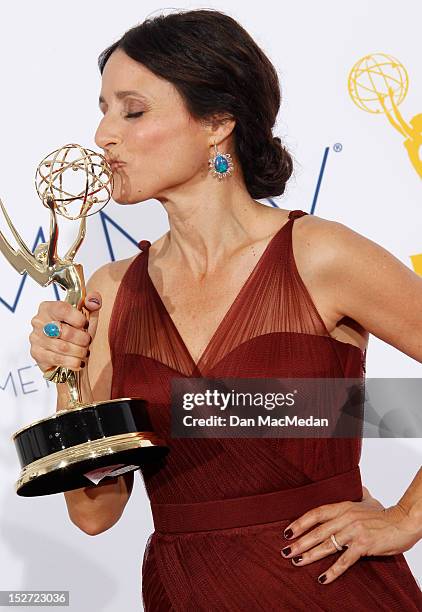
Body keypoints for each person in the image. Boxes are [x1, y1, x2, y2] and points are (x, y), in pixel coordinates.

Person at [29, 8, 422, 611]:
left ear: (217, 122)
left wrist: (404, 518)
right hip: (185, 590)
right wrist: (66, 381)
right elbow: (95, 515)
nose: (104, 134)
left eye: (132, 110)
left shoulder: (320, 255)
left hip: (331, 590)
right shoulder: (111, 291)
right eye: (103, 109)